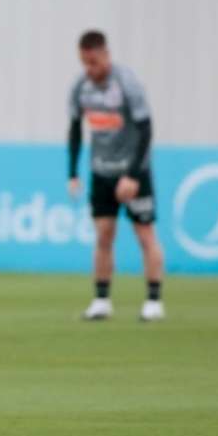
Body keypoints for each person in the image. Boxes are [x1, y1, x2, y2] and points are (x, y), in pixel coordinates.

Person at [68, 30, 166, 322]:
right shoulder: (81, 87)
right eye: (84, 62)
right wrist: (72, 172)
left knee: (145, 234)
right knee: (103, 235)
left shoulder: (127, 84)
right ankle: (101, 300)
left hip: (133, 171)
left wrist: (133, 175)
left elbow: (146, 129)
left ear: (106, 55)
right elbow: (75, 129)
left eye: (94, 62)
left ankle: (153, 300)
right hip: (101, 172)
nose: (89, 69)